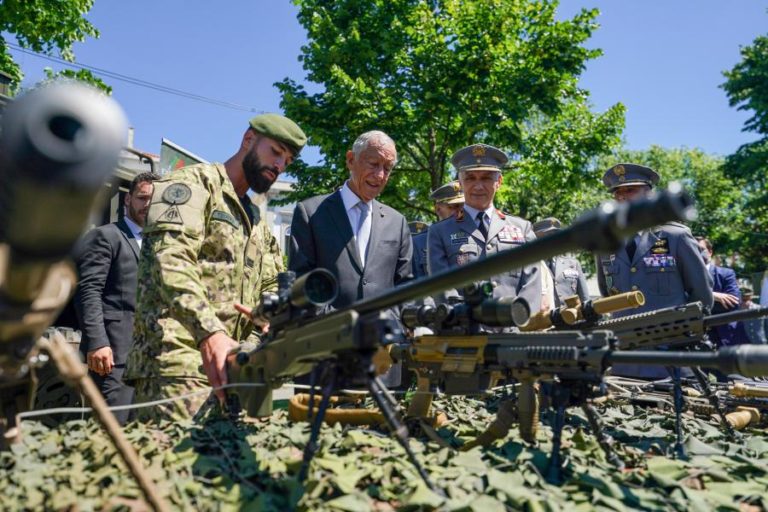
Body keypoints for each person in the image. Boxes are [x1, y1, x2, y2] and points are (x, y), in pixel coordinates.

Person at [125, 114, 306, 422]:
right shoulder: (190, 184)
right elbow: (170, 260)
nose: (279, 165)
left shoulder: (257, 218)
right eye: (275, 152)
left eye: (287, 161)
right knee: (171, 468)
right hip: (179, 364)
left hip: (235, 367)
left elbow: (271, 284)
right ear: (248, 140)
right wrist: (211, 333)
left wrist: (260, 332)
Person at [595, 163, 713, 378]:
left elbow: (702, 294)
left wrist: (686, 336)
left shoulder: (676, 235)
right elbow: (607, 294)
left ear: (649, 193)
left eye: (630, 190)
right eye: (617, 192)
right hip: (624, 360)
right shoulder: (605, 242)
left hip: (671, 358)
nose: (622, 197)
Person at [289, 130, 412, 310]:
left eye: (387, 168)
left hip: (385, 334)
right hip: (329, 333)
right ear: (351, 160)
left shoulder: (397, 222)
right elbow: (301, 283)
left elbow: (406, 287)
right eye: (373, 164)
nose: (380, 175)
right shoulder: (311, 213)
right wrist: (340, 322)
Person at [74, 172, 158, 424]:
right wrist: (97, 343)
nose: (148, 205)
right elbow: (87, 291)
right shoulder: (106, 237)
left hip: (150, 361)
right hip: (112, 360)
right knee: (111, 435)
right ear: (127, 200)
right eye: (142, 198)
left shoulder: (162, 245)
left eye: (154, 200)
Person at [427, 143, 541, 313]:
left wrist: (518, 318)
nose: (478, 186)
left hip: (514, 332)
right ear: (460, 183)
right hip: (464, 334)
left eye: (486, 178)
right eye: (470, 178)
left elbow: (532, 285)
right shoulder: (439, 232)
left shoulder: (522, 229)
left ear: (499, 181)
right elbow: (441, 287)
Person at [532, 217, 590, 309]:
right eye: (548, 236)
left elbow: (585, 299)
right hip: (544, 320)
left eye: (556, 236)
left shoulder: (573, 264)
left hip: (572, 320)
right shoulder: (531, 266)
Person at [411, 181, 464, 279]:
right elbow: (416, 284)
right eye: (453, 207)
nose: (460, 212)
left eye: (462, 206)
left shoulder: (474, 234)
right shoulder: (419, 242)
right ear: (438, 209)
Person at [696, 237, 741, 347]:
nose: (696, 253)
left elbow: (733, 304)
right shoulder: (683, 277)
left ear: (710, 252)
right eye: (692, 249)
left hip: (724, 338)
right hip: (696, 339)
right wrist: (713, 295)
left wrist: (696, 299)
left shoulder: (726, 274)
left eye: (701, 249)